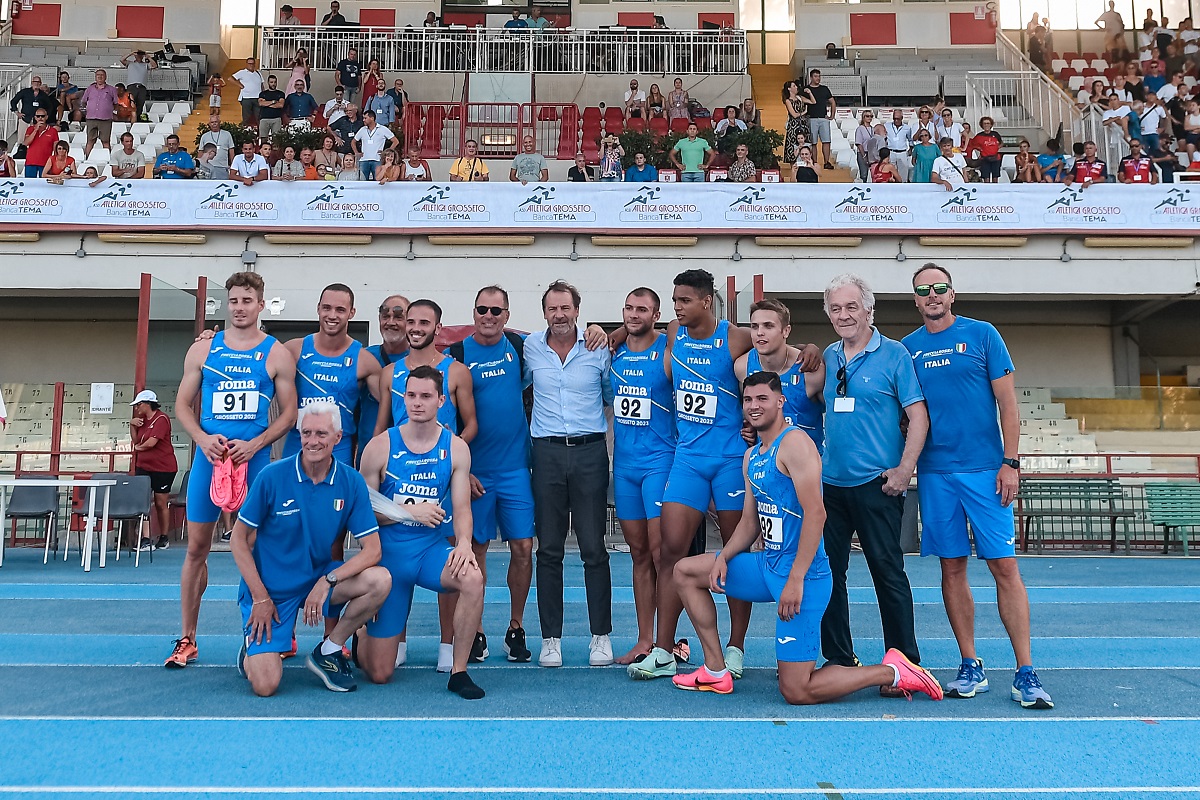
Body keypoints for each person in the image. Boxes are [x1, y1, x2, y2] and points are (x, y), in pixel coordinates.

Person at [672, 371, 943, 704]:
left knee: (796, 690)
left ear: (780, 402)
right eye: (748, 400)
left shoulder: (795, 443)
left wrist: (796, 579)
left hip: (804, 577)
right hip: (768, 567)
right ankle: (715, 670)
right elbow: (749, 522)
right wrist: (724, 558)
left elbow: (817, 514)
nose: (754, 407)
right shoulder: (752, 455)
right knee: (685, 571)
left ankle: (894, 671)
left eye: (762, 399)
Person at [901, 264, 1053, 710]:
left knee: (1004, 567)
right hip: (935, 474)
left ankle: (1026, 671)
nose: (932, 295)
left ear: (952, 293)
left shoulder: (983, 333)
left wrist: (1010, 462)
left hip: (986, 472)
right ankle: (971, 665)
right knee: (951, 569)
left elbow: (1009, 404)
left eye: (939, 288)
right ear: (915, 299)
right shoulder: (907, 349)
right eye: (923, 290)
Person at [445, 288, 607, 665]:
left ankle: (516, 627)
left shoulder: (521, 345)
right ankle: (478, 630)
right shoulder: (458, 355)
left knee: (524, 549)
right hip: (476, 472)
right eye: (482, 308)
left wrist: (600, 329)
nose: (488, 315)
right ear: (474, 311)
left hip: (518, 466)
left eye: (496, 309)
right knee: (477, 551)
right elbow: (449, 416)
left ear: (507, 313)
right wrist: (460, 468)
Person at [165, 271, 298, 669]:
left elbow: (289, 413)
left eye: (247, 301)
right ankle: (187, 637)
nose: (240, 308)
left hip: (253, 463)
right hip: (210, 461)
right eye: (234, 301)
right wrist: (203, 439)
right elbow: (182, 406)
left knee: (258, 550)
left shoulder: (275, 354)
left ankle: (265, 633)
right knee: (196, 549)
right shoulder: (203, 350)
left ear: (261, 305)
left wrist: (257, 443)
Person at [626, 269, 751, 681]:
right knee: (670, 552)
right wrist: (608, 333)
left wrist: (807, 350)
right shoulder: (674, 332)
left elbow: (776, 347)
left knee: (735, 553)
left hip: (731, 459)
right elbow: (634, 337)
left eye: (684, 300)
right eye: (674, 300)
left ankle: (735, 648)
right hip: (687, 459)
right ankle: (663, 650)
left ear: (706, 301)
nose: (677, 307)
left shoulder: (734, 337)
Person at [232, 401, 389, 696]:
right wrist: (260, 597)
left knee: (380, 580)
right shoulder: (272, 476)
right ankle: (251, 650)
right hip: (272, 589)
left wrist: (327, 580)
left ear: (337, 438)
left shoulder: (351, 481)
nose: (313, 441)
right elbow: (238, 539)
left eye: (321, 433)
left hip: (316, 577)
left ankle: (328, 651)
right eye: (306, 433)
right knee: (266, 686)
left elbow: (373, 550)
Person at [819, 273, 927, 693]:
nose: (844, 315)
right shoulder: (827, 356)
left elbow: (918, 416)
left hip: (878, 484)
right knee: (828, 575)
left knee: (888, 572)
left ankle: (905, 664)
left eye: (851, 307)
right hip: (830, 486)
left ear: (869, 309)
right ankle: (839, 658)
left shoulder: (896, 355)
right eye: (836, 308)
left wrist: (904, 471)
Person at [356, 367, 486, 699]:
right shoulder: (379, 447)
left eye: (426, 396)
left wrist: (466, 544)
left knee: (472, 577)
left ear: (441, 401)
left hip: (429, 552)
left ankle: (459, 671)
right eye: (411, 395)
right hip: (388, 560)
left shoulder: (456, 449)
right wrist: (408, 512)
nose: (417, 403)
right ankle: (361, 631)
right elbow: (360, 517)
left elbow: (462, 508)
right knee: (380, 674)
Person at [524, 280, 613, 668]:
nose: (559, 315)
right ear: (544, 312)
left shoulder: (597, 347)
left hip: (590, 451)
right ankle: (551, 639)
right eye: (552, 309)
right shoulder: (529, 348)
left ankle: (601, 636)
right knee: (549, 550)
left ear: (578, 310)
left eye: (566, 308)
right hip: (545, 454)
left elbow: (613, 396)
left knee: (594, 548)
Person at [610, 288, 676, 665]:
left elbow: (681, 332)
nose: (635, 314)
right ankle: (644, 639)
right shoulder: (614, 354)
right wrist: (616, 334)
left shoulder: (667, 350)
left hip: (659, 462)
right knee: (637, 554)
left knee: (660, 553)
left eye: (643, 310)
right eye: (629, 308)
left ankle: (665, 641)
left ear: (655, 314)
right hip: (625, 466)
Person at [281, 284, 382, 466]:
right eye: (327, 308)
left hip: (339, 448)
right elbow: (253, 370)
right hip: (297, 443)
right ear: (318, 308)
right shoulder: (294, 350)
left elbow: (397, 404)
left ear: (352, 313)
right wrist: (214, 338)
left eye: (340, 310)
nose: (332, 315)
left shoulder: (364, 361)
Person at [374, 299, 476, 443]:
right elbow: (380, 428)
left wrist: (454, 446)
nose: (416, 328)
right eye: (411, 322)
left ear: (438, 328)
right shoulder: (389, 373)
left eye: (424, 323)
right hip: (401, 462)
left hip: (440, 462)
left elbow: (471, 425)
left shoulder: (457, 372)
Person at [733, 299, 824, 454]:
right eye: (755, 326)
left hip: (804, 463)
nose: (760, 332)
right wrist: (750, 425)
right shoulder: (742, 367)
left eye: (768, 326)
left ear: (786, 331)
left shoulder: (811, 371)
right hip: (764, 464)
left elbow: (838, 420)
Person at [356, 294, 410, 468]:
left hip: (409, 458)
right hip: (368, 456)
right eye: (385, 316)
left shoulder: (422, 361)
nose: (391, 322)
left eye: (398, 317)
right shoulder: (364, 357)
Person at [130, 389, 177, 551]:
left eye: (138, 405)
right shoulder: (141, 420)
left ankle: (163, 537)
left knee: (160, 502)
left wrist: (137, 448)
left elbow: (151, 443)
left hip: (163, 467)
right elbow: (136, 440)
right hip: (143, 466)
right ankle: (145, 538)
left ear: (147, 404)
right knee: (142, 501)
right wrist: (132, 426)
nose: (137, 408)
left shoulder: (161, 419)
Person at [80, 69, 117, 159]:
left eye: (102, 75)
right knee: (90, 140)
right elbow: (84, 101)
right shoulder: (90, 89)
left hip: (105, 119)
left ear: (105, 77)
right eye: (98, 75)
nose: (100, 77)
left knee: (105, 141)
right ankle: (86, 159)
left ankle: (108, 160)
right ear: (95, 77)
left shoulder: (112, 89)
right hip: (91, 118)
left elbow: (116, 103)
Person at [352, 110, 397, 181]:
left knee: (377, 181)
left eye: (365, 118)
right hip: (364, 160)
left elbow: (395, 141)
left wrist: (386, 152)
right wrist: (356, 152)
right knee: (362, 181)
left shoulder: (383, 129)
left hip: (377, 159)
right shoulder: (362, 129)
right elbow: (353, 142)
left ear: (372, 118)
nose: (363, 120)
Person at [806, 69, 836, 169]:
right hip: (811, 118)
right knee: (813, 142)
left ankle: (826, 162)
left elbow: (832, 102)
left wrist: (832, 115)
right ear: (811, 77)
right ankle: (814, 162)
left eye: (819, 76)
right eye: (815, 76)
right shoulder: (806, 89)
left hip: (823, 118)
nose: (818, 78)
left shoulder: (824, 89)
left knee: (826, 141)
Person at [22, 107, 59, 178]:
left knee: (45, 186)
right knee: (30, 185)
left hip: (46, 163)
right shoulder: (30, 129)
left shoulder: (53, 131)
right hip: (31, 162)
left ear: (46, 117)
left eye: (42, 116)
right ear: (35, 117)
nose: (40, 118)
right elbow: (26, 143)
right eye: (38, 116)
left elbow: (56, 148)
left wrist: (54, 163)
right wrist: (35, 130)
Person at [119, 50, 157, 120]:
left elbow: (154, 65)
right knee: (130, 104)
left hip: (141, 87)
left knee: (140, 104)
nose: (139, 56)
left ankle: (138, 119)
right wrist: (131, 53)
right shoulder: (130, 63)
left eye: (140, 55)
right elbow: (122, 60)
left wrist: (147, 56)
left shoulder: (145, 65)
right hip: (132, 86)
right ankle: (129, 118)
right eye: (137, 55)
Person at [968, 116, 1003, 184]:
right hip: (984, 159)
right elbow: (972, 144)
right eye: (985, 123)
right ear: (982, 125)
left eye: (988, 123)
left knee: (995, 177)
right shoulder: (979, 136)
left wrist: (997, 148)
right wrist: (979, 149)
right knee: (986, 178)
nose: (986, 125)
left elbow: (1001, 143)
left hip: (995, 158)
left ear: (991, 124)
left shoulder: (995, 134)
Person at [782, 81, 809, 165]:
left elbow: (813, 101)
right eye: (794, 86)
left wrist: (809, 93)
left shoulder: (800, 98)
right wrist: (804, 112)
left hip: (803, 124)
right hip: (794, 125)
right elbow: (794, 114)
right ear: (789, 88)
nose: (796, 87)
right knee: (793, 143)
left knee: (804, 142)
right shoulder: (788, 101)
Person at [882, 109, 913, 181]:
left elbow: (910, 139)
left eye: (898, 119)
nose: (896, 120)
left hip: (902, 152)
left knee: (903, 175)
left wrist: (910, 149)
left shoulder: (907, 128)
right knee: (891, 175)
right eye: (894, 118)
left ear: (902, 118)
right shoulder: (887, 126)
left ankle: (903, 189)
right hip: (891, 152)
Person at [233, 58, 264, 127]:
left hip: (257, 98)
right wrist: (240, 85)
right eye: (249, 63)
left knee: (259, 117)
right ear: (246, 64)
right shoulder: (242, 72)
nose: (251, 65)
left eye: (253, 63)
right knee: (246, 118)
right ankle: (245, 132)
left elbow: (262, 85)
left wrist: (263, 95)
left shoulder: (258, 73)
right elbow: (231, 78)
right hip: (246, 98)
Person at [853, 110, 875, 181]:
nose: (869, 118)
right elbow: (859, 144)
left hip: (871, 153)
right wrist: (864, 156)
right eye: (867, 116)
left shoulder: (873, 129)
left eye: (871, 116)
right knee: (864, 174)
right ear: (863, 117)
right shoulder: (860, 129)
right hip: (863, 153)